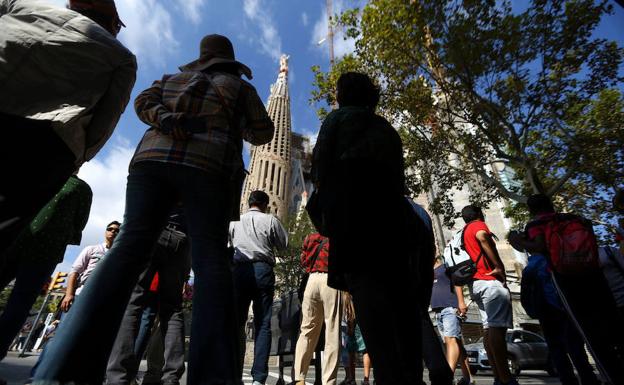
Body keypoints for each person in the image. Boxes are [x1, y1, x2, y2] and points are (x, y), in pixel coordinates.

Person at [33, 34, 274, 385]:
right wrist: (233, 122)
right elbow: (263, 133)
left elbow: (142, 102)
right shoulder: (239, 88)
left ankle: (56, 370)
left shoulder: (171, 79)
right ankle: (213, 377)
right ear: (229, 62)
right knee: (210, 265)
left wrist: (167, 119)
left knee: (125, 254)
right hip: (208, 167)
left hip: (151, 163)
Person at [311, 72, 423, 385]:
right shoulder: (387, 129)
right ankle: (408, 374)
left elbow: (319, 168)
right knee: (400, 301)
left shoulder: (336, 120)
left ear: (344, 95)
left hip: (354, 221)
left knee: (368, 298)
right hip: (392, 222)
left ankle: (388, 374)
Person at [0, 0, 136, 254]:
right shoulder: (121, 56)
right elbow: (105, 121)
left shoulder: (17, 6)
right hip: (46, 144)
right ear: (110, 22)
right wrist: (79, 158)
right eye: (117, 25)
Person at [509, 194, 624, 385]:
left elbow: (538, 246)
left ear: (531, 210)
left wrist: (517, 241)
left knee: (567, 341)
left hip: (561, 285)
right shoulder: (575, 219)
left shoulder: (537, 224)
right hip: (593, 280)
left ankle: (588, 378)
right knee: (599, 333)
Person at [0, 175, 92, 361]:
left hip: (18, 241)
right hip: (43, 249)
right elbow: (78, 226)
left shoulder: (39, 175)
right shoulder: (80, 188)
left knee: (19, 305)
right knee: (20, 304)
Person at [106, 210, 191, 385]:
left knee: (133, 304)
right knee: (173, 309)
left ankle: (118, 377)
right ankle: (171, 378)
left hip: (153, 231)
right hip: (182, 238)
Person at [230, 190, 288, 385]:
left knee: (237, 323)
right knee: (263, 324)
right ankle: (258, 378)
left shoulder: (234, 221)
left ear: (249, 203)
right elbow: (284, 245)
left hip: (240, 269)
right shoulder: (271, 221)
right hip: (263, 269)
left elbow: (228, 245)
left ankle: (234, 374)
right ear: (265, 204)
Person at [459, 205, 516, 385]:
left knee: (488, 329)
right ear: (478, 214)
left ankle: (498, 376)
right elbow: (483, 238)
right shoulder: (478, 226)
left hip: (475, 284)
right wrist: (498, 265)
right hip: (489, 282)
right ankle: (506, 378)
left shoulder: (463, 232)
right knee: (497, 329)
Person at [293, 233, 340, 385]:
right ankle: (328, 381)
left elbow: (303, 260)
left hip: (312, 281)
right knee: (332, 332)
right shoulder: (340, 237)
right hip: (331, 280)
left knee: (306, 330)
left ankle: (299, 377)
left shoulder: (310, 237)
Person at [61, 221, 121, 313]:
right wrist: (69, 294)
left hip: (103, 300)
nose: (113, 231)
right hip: (82, 294)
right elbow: (74, 271)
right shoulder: (92, 249)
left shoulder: (120, 256)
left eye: (117, 230)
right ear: (105, 232)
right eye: (110, 229)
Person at [430, 257, 473, 385]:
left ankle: (447, 378)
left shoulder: (446, 267)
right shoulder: (426, 271)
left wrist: (461, 302)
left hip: (450, 307)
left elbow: (457, 282)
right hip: (437, 310)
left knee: (451, 340)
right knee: (456, 343)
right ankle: (468, 379)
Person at [340, 292, 371, 385]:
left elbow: (349, 312)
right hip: (362, 323)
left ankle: (352, 378)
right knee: (365, 351)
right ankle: (366, 380)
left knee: (351, 352)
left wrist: (350, 328)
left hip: (352, 325)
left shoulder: (346, 294)